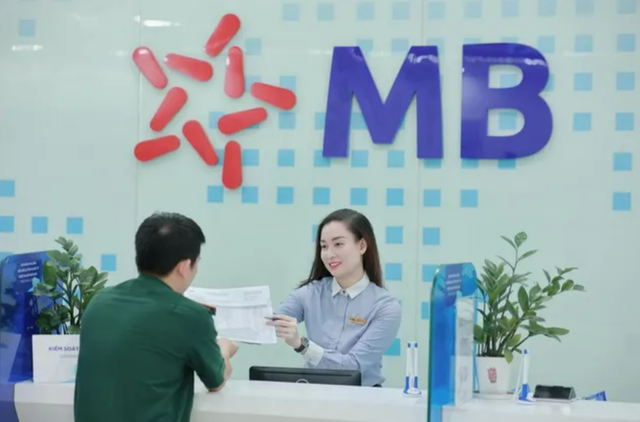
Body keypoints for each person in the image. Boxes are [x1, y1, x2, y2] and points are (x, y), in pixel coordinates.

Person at [74, 212, 238, 422]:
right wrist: (225, 348)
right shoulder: (190, 316)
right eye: (196, 262)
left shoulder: (99, 302)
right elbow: (216, 381)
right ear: (184, 267)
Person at [267, 208, 401, 387]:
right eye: (324, 246)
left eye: (338, 244)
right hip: (313, 393)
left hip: (362, 397)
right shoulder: (310, 293)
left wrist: (302, 344)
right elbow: (267, 322)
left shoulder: (386, 307)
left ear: (362, 246)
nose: (329, 254)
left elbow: (353, 368)